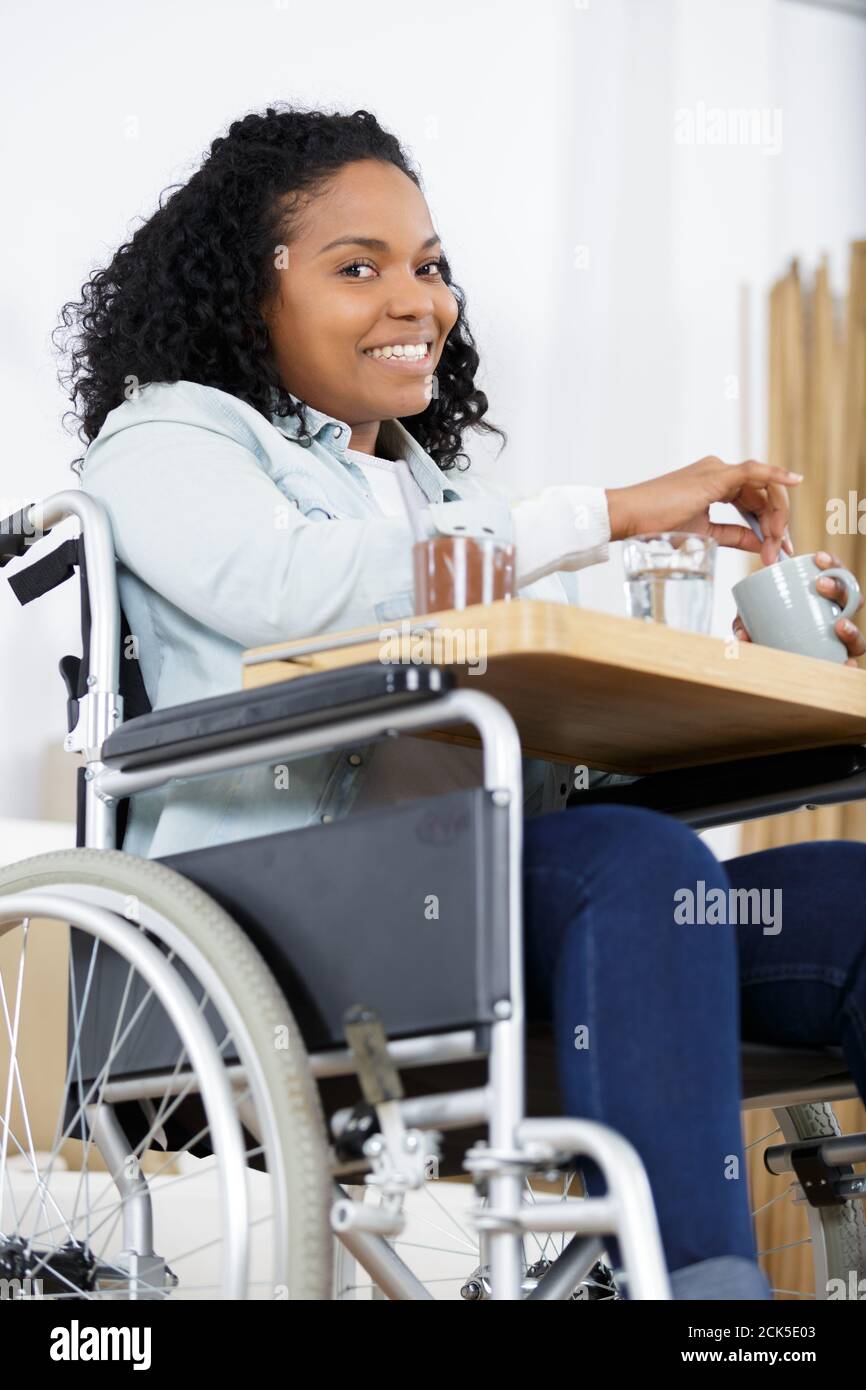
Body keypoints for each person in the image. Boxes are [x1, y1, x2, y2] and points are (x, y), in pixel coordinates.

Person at [59, 103, 866, 1299]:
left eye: (429, 266)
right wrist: (610, 507)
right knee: (637, 870)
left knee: (839, 896)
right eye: (358, 266)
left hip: (501, 909)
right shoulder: (167, 438)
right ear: (250, 294)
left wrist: (741, 652)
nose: (417, 298)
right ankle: (710, 1310)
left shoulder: (429, 490)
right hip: (299, 920)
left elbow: (542, 747)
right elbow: (291, 589)